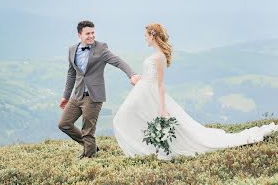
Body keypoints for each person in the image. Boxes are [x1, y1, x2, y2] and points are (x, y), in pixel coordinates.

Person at [113, 22, 278, 160]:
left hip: (151, 94)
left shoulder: (159, 57)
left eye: (146, 36)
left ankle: (145, 151)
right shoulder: (155, 55)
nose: (144, 38)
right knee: (126, 117)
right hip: (143, 90)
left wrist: (162, 108)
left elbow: (161, 84)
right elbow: (151, 77)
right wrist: (140, 80)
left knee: (124, 117)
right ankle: (144, 149)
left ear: (152, 36)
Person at [58, 20, 141, 158]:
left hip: (93, 96)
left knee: (88, 131)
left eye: (93, 33)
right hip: (77, 95)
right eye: (87, 33)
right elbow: (71, 74)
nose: (91, 36)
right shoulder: (72, 50)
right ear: (79, 35)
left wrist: (132, 74)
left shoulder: (101, 48)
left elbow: (118, 61)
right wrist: (65, 96)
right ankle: (91, 147)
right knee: (64, 124)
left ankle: (89, 160)